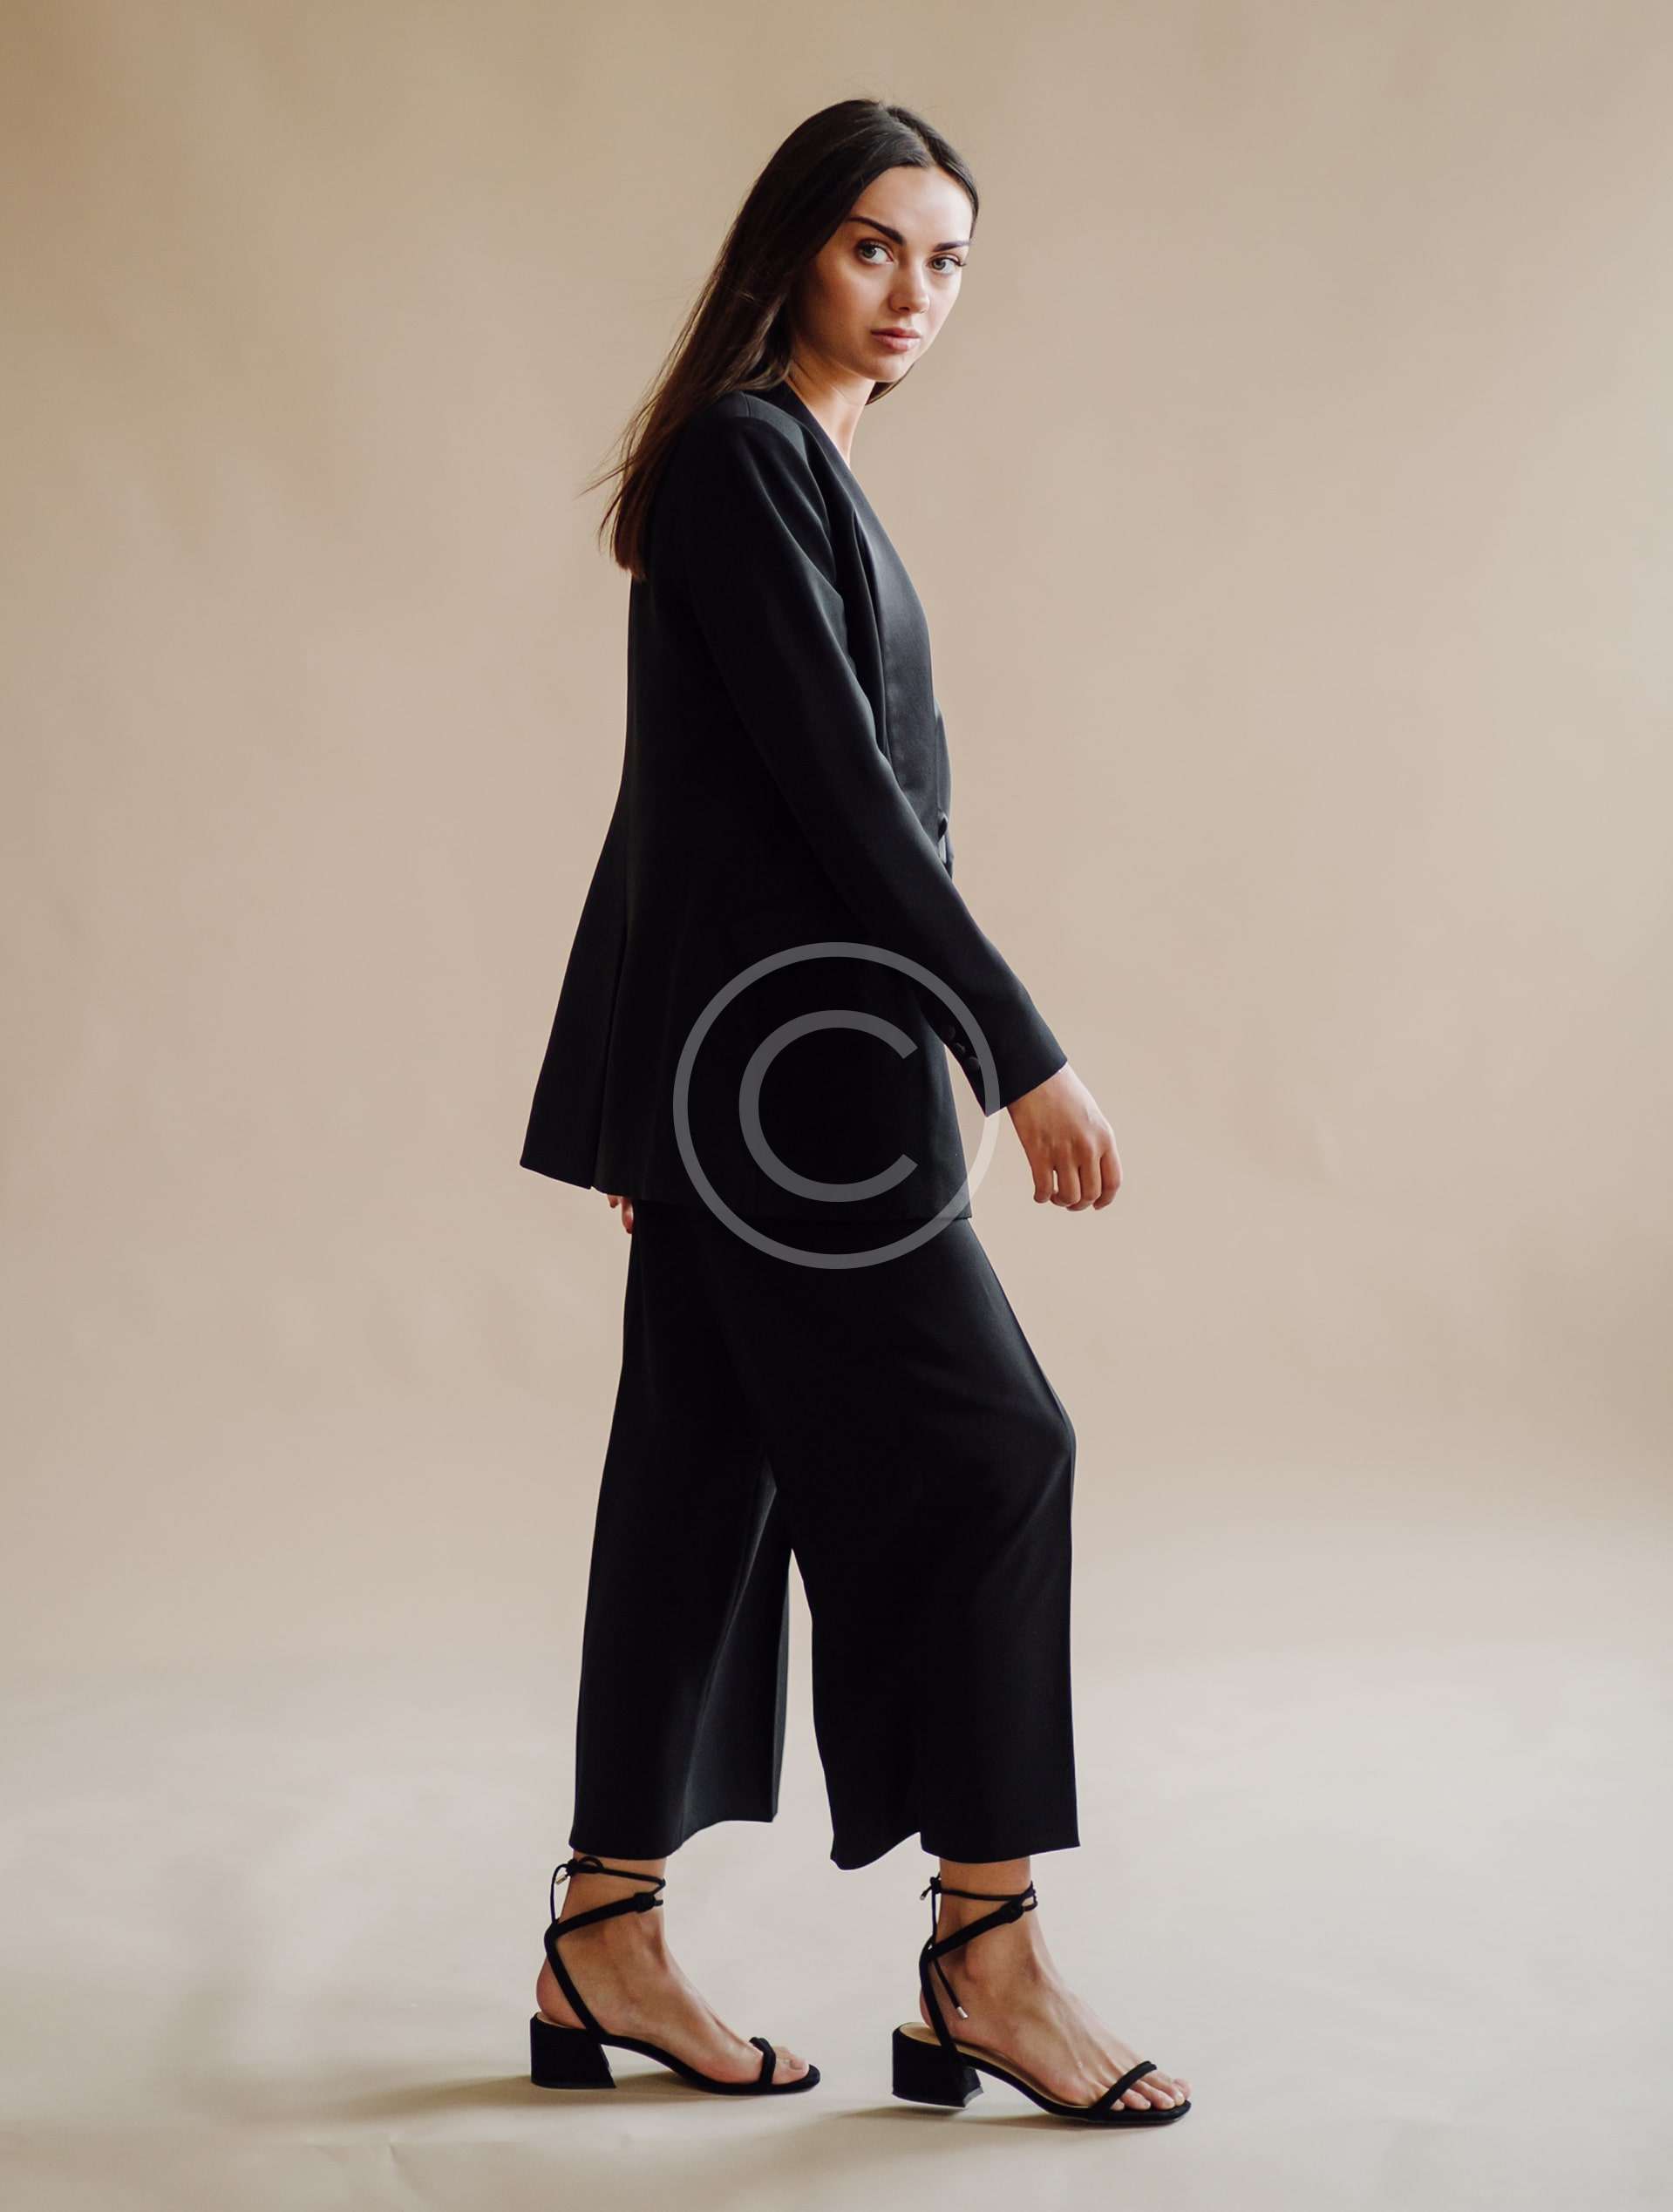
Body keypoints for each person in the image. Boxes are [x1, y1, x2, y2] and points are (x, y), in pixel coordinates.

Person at [517, 97, 1192, 2127]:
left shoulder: (792, 463)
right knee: (998, 1453)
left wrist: (651, 1106)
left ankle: (603, 1932)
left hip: (766, 1083)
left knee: (700, 1484)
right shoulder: (746, 458)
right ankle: (988, 1958)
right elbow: (835, 800)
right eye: (875, 246)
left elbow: (693, 807)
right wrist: (1021, 1047)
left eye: (949, 259)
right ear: (793, 248)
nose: (915, 295)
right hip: (791, 1092)